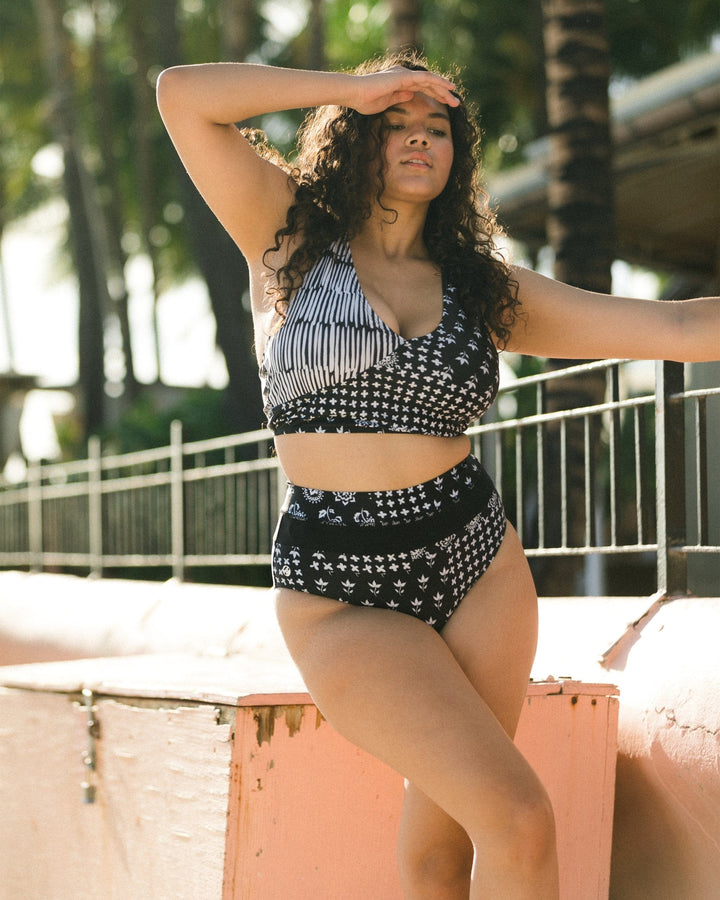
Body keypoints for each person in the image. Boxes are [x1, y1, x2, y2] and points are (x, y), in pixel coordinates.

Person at [157, 52, 719, 899]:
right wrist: (352, 87)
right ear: (357, 139)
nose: (421, 139)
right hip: (341, 588)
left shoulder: (478, 288)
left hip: (476, 564)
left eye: (438, 129)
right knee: (521, 816)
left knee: (441, 848)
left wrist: (380, 102)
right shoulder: (288, 236)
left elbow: (674, 326)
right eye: (398, 125)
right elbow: (183, 96)